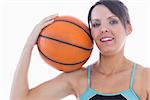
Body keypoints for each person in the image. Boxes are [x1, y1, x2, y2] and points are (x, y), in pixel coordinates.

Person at [10, 0, 150, 100]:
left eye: (112, 21)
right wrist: (28, 46)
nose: (103, 29)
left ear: (128, 28)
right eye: (96, 24)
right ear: (90, 32)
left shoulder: (145, 77)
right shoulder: (78, 78)